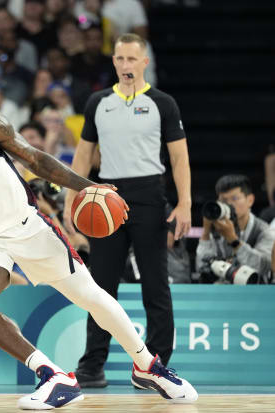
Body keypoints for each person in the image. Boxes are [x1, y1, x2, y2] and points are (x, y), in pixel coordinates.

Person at [0, 78, 198, 409]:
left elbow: (36, 160)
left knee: (90, 295)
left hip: (25, 224)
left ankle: (147, 366)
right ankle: (53, 376)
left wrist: (87, 186)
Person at [63, 33, 191, 388]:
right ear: (114, 62)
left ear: (144, 62)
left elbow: (179, 157)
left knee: (155, 286)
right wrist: (71, 199)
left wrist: (185, 203)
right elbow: (84, 155)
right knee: (99, 287)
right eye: (120, 59)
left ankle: (154, 364)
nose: (125, 66)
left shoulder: (163, 103)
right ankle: (92, 364)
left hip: (150, 195)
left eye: (132, 59)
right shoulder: (98, 102)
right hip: (106, 196)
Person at [196, 175, 275, 284]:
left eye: (234, 199)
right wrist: (206, 232)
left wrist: (233, 241)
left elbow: (264, 268)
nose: (228, 205)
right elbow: (201, 267)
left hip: (255, 294)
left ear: (250, 200)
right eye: (223, 200)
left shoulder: (263, 230)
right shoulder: (218, 227)